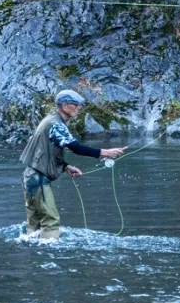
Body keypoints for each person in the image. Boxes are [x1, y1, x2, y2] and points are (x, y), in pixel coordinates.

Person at [19, 90, 126, 239]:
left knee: (34, 222)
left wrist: (65, 166)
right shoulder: (56, 124)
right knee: (51, 220)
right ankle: (48, 253)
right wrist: (105, 152)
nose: (79, 108)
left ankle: (32, 253)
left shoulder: (50, 120)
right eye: (76, 105)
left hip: (31, 177)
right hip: (38, 179)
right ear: (64, 106)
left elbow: (44, 151)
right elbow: (76, 148)